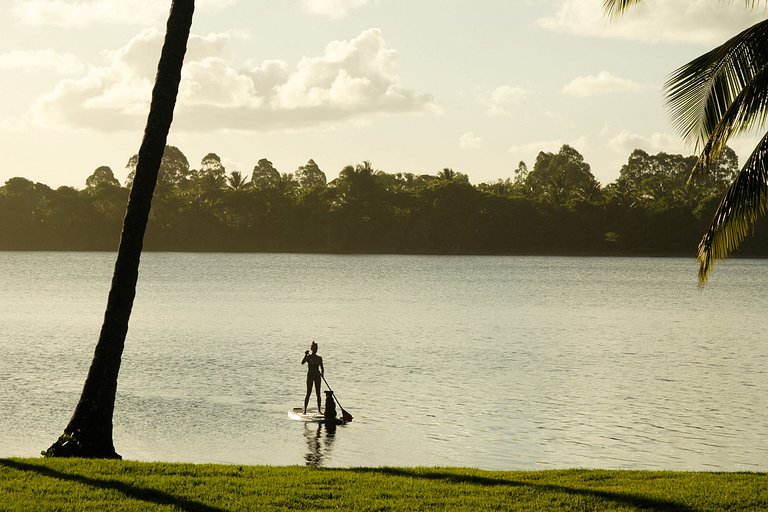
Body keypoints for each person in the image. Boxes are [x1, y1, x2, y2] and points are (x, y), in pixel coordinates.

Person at [302, 341, 324, 414]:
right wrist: (305, 355)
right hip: (310, 376)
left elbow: (322, 367)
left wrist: (322, 373)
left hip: (317, 376)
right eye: (314, 348)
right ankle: (305, 410)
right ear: (311, 349)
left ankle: (319, 410)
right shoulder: (309, 357)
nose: (315, 350)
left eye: (316, 348)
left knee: (318, 394)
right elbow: (302, 362)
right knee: (308, 393)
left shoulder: (319, 358)